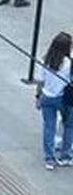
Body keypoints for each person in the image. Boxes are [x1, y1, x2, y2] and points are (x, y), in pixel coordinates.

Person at [37, 32, 73, 170]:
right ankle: (65, 156)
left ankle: (49, 158)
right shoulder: (68, 64)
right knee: (69, 126)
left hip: (47, 97)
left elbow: (41, 81)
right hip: (63, 98)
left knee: (49, 127)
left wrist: (38, 97)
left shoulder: (46, 60)